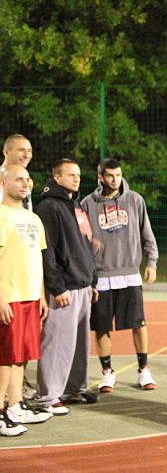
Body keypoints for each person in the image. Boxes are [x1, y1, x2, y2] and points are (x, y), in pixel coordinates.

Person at [81, 158, 159, 392]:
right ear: (100, 178)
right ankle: (107, 372)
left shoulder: (135, 200)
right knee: (102, 326)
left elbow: (147, 232)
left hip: (130, 274)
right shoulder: (87, 204)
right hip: (101, 275)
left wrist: (151, 262)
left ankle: (143, 370)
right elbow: (81, 238)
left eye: (118, 175)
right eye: (110, 176)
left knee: (138, 323)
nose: (115, 180)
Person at [35, 159, 99, 415]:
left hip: (83, 283)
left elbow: (86, 243)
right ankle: (48, 397)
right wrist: (56, 286)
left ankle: (73, 389)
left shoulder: (76, 205)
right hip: (65, 287)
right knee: (57, 343)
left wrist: (93, 280)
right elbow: (47, 249)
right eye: (70, 175)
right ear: (57, 178)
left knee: (79, 345)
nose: (76, 179)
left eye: (78, 175)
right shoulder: (49, 207)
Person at [0, 165, 53, 437]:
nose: (24, 184)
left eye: (27, 179)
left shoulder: (33, 218)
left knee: (20, 357)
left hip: (31, 297)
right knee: (5, 359)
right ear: (3, 183)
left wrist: (41, 295)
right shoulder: (1, 216)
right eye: (18, 179)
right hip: (10, 297)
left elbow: (37, 260)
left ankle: (15, 406)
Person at [1, 134, 36, 400]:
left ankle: (15, 399)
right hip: (7, 286)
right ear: (6, 152)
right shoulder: (6, 184)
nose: (26, 155)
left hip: (24, 286)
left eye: (30, 151)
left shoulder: (23, 183)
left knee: (18, 349)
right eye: (21, 150)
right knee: (6, 352)